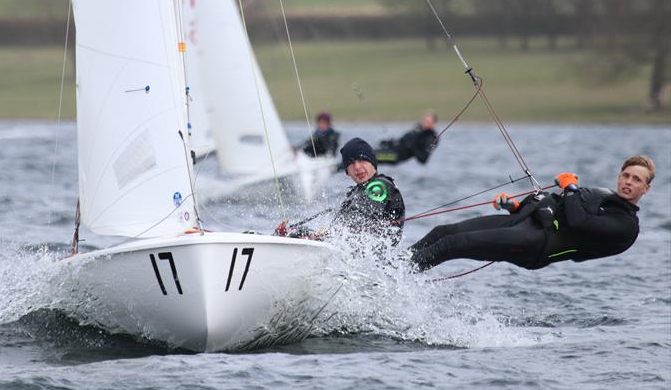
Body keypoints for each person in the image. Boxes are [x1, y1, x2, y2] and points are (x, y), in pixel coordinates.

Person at [407, 155, 654, 272]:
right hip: (523, 222)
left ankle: (396, 279)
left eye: (636, 179)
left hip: (535, 245)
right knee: (443, 231)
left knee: (453, 244)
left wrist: (570, 188)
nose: (628, 182)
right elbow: (558, 212)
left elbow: (578, 222)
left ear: (646, 188)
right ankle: (389, 267)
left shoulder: (626, 226)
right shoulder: (605, 198)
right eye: (626, 175)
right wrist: (515, 207)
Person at [277, 138, 405, 242]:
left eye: (362, 160)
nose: (357, 167)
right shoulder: (358, 191)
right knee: (298, 232)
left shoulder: (379, 186)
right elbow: (341, 229)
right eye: (351, 163)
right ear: (347, 172)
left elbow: (357, 220)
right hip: (352, 253)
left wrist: (314, 238)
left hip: (373, 260)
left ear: (372, 163)